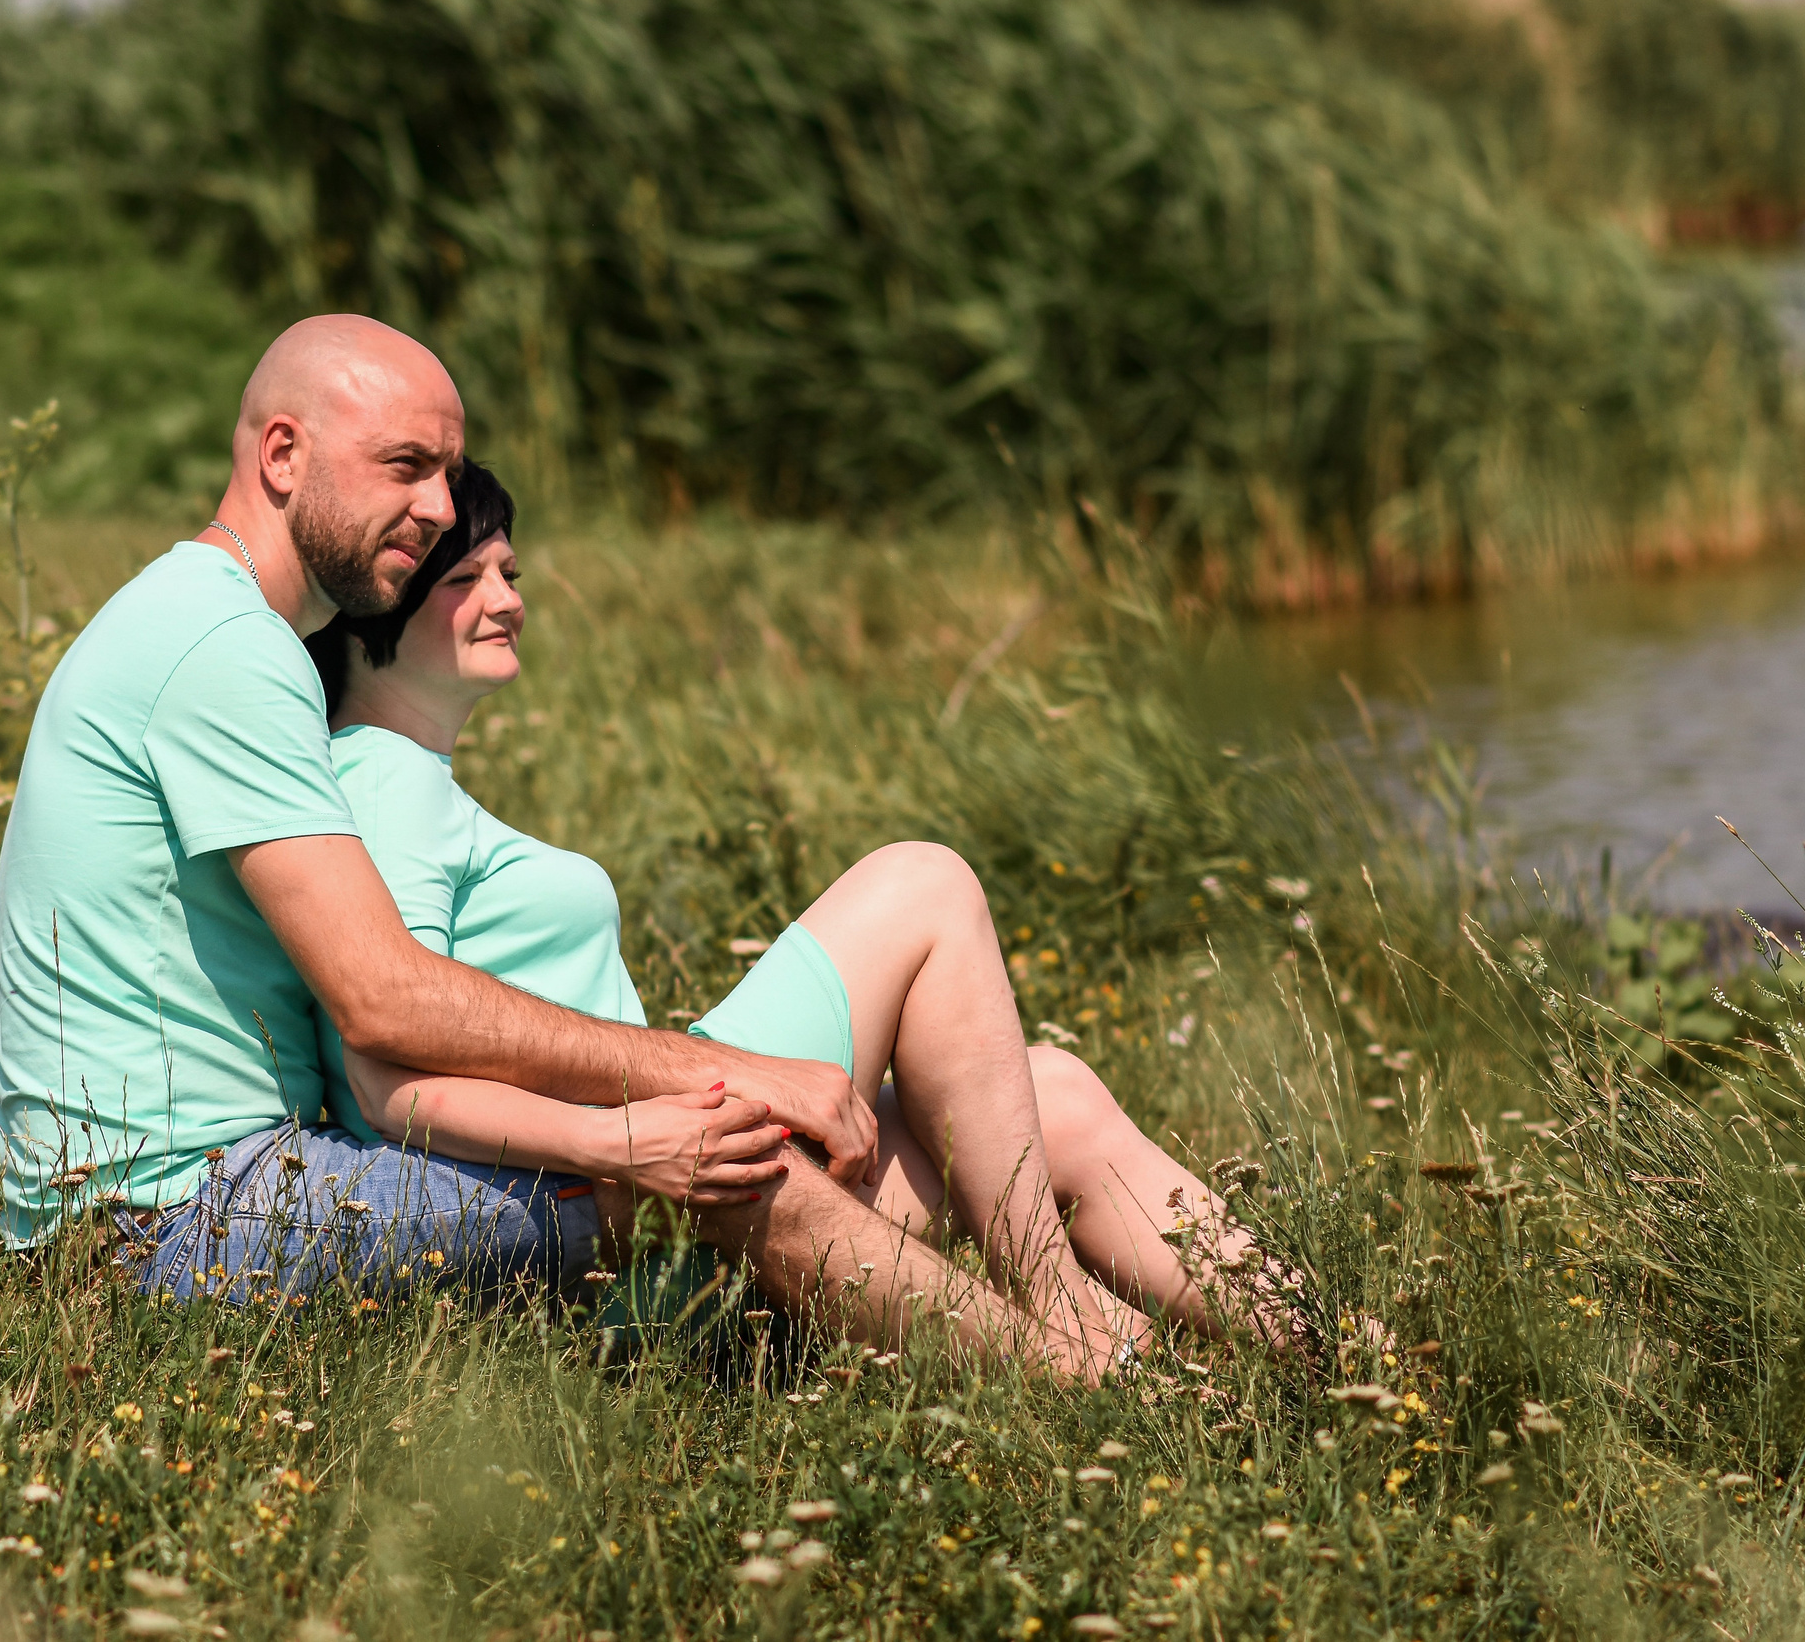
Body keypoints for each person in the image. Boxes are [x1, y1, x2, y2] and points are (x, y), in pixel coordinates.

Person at [300, 459, 1289, 1366]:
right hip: (620, 1194)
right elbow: (391, 1070)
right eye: (467, 578)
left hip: (648, 1165)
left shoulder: (404, 777)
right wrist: (623, 1141)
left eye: (510, 572)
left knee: (1055, 1093)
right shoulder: (382, 780)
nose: (509, 599)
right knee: (924, 883)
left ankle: (1326, 1344)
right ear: (383, 606)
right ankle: (1069, 1320)